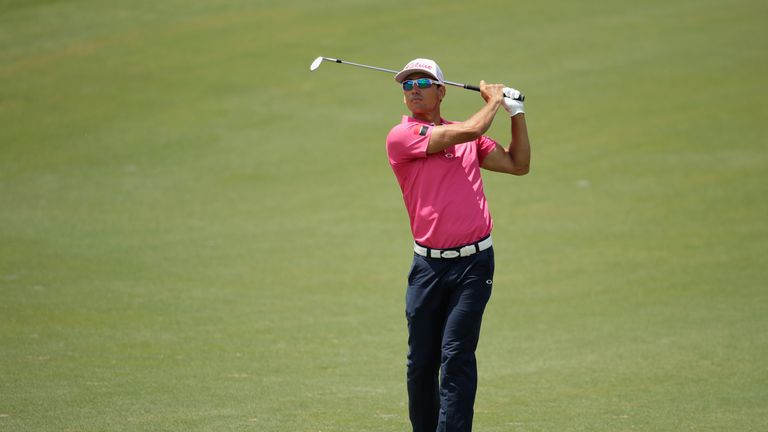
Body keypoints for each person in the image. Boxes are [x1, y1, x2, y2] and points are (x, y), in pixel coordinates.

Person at [385, 58, 531, 432]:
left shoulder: (467, 135)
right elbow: (467, 132)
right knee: (421, 363)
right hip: (428, 268)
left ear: (441, 91)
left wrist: (517, 113)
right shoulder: (402, 137)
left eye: (422, 82)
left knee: (456, 356)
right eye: (407, 85)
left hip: (474, 264)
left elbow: (518, 164)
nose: (413, 89)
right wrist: (494, 100)